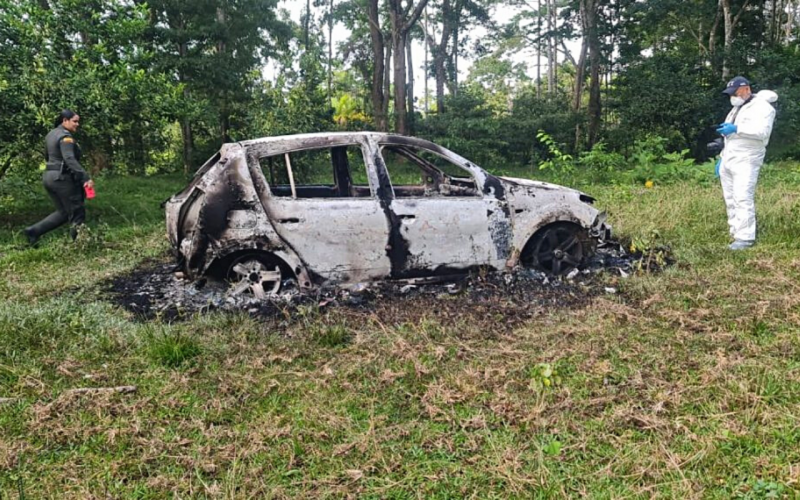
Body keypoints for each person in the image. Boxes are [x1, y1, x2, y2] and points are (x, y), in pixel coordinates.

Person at [716, 76, 777, 250]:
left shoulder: (763, 108)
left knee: (742, 197)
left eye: (735, 92)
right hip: (730, 157)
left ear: (746, 89)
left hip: (747, 158)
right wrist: (721, 156)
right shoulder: (736, 108)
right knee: (730, 197)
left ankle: (745, 237)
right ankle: (735, 230)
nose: (732, 97)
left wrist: (737, 129)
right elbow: (730, 136)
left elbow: (762, 132)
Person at [24, 110, 94, 245]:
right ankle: (79, 245)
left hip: (49, 176)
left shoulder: (51, 134)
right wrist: (85, 178)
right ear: (65, 120)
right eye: (75, 121)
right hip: (62, 178)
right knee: (77, 211)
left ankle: (34, 231)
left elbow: (48, 157)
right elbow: (69, 159)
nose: (77, 124)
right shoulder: (65, 137)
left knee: (63, 213)